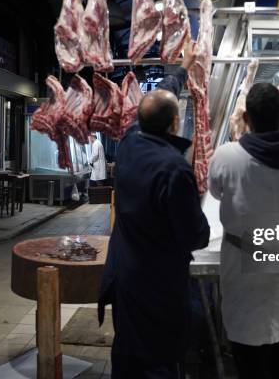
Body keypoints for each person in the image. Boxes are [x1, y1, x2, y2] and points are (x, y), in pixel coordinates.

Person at [98, 41, 210, 379]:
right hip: (156, 287)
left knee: (127, 354)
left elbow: (160, 96)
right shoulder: (174, 170)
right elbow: (196, 236)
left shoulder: (130, 142)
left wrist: (181, 69)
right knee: (157, 361)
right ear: (176, 124)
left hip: (124, 278)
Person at [208, 83, 279, 379]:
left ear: (246, 119)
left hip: (247, 274)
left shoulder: (227, 156)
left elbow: (217, 192)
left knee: (249, 364)